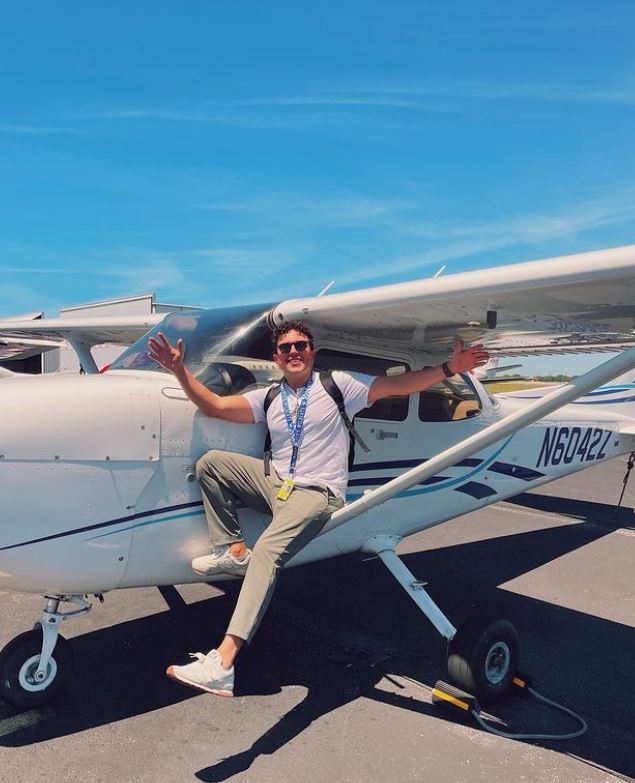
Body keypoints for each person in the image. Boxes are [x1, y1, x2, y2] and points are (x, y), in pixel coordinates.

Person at [148, 320, 488, 697]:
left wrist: (449, 370)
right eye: (285, 347)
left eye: (301, 345)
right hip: (277, 483)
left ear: (312, 351)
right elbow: (213, 404)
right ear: (276, 357)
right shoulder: (270, 397)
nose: (293, 351)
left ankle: (224, 663)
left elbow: (398, 385)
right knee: (212, 463)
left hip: (316, 493)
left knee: (269, 555)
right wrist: (178, 370)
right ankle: (233, 549)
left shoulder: (340, 385)